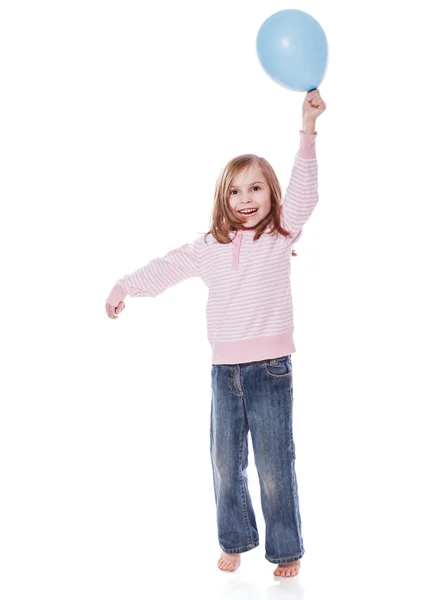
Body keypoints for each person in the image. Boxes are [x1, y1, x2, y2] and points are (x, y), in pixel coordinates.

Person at [105, 89, 326, 577]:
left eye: (256, 189)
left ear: (272, 194)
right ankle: (234, 539)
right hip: (224, 374)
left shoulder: (280, 235)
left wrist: (308, 131)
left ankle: (286, 549)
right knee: (226, 465)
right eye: (235, 191)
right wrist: (125, 286)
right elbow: (165, 269)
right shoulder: (210, 246)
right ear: (222, 199)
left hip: (270, 371)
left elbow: (306, 194)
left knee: (273, 466)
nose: (245, 200)